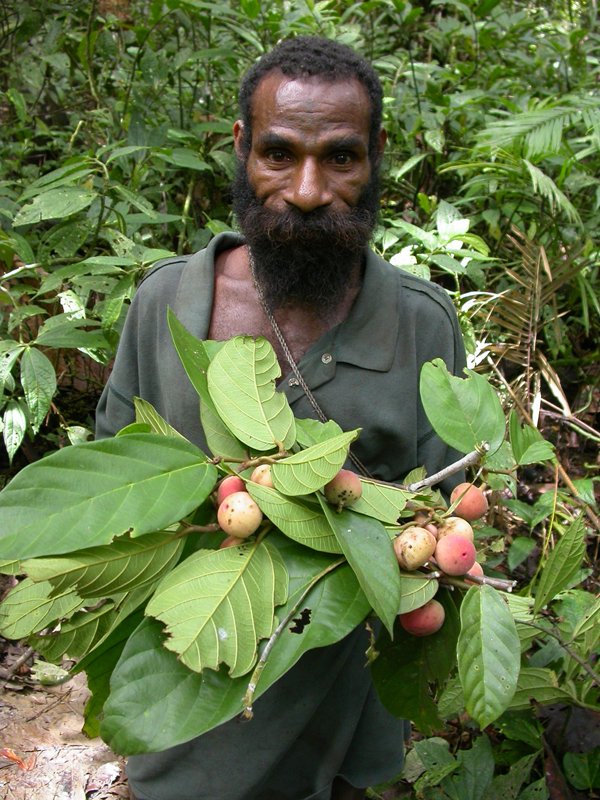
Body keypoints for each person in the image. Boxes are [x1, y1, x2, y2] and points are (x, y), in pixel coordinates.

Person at [96, 35, 466, 800]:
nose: (305, 189)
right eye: (277, 154)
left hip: (341, 721)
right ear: (240, 148)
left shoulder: (424, 326)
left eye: (339, 157)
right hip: (186, 694)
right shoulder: (166, 305)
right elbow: (112, 487)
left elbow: (442, 517)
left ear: (375, 155)